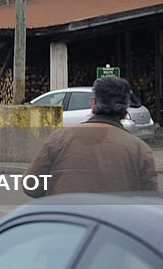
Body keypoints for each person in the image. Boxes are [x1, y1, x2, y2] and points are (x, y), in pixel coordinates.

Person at [24, 76, 157, 197]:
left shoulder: (60, 138)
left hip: (65, 220)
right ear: (125, 107)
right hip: (115, 221)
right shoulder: (140, 150)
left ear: (93, 103)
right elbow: (149, 201)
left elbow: (31, 185)